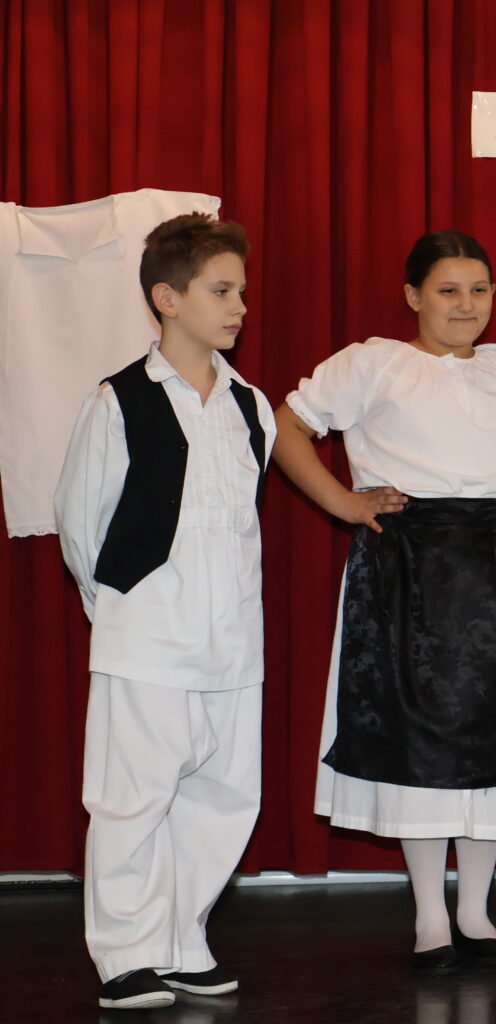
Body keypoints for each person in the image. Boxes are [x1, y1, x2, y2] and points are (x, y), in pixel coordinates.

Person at [272, 230, 496, 971]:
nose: (466, 305)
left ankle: (475, 913)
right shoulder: (373, 363)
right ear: (414, 296)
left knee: (493, 737)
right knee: (418, 740)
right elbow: (286, 427)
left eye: (479, 290)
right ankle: (430, 919)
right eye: (448, 290)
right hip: (406, 570)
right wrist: (345, 503)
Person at [55, 213, 273, 1010]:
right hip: (147, 637)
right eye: (221, 291)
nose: (239, 306)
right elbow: (81, 523)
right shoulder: (119, 401)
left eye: (241, 291)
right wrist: (124, 608)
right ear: (167, 299)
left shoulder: (251, 405)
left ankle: (184, 940)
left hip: (233, 642)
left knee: (224, 797)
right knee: (132, 799)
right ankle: (127, 954)